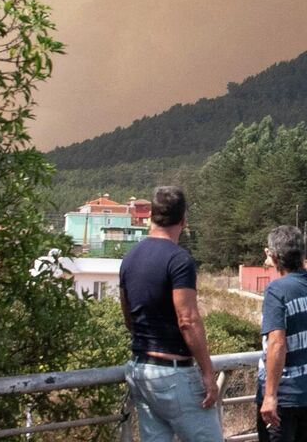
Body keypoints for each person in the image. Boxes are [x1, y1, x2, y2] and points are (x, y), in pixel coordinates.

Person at [119, 186, 222, 442]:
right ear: (183, 219)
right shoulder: (179, 260)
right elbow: (187, 321)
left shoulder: (130, 258)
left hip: (140, 370)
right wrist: (208, 372)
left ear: (151, 216)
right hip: (172, 375)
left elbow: (128, 317)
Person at [258, 226, 307, 442]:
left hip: (286, 396)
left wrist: (270, 396)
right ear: (302, 254)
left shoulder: (276, 290)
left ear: (272, 256)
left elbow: (277, 344)